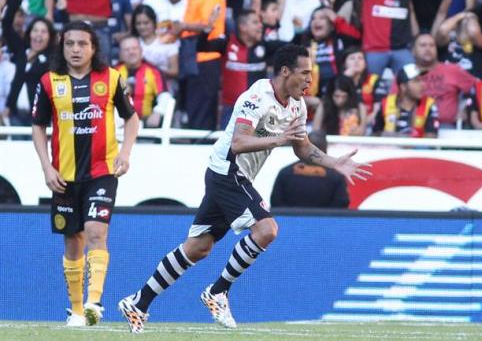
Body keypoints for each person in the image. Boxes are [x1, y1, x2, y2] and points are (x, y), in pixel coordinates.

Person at [118, 44, 370, 333]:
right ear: (286, 72)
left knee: (198, 248)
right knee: (267, 229)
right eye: (305, 73)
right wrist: (277, 140)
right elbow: (238, 142)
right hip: (228, 171)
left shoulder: (297, 105)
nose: (310, 80)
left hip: (235, 176)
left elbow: (301, 146)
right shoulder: (256, 97)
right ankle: (217, 292)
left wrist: (332, 162)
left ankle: (138, 302)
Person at [31, 21, 139, 327]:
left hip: (102, 171)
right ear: (62, 47)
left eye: (82, 44)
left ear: (94, 48)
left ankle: (94, 302)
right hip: (63, 175)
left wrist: (125, 152)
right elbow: (38, 126)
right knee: (73, 241)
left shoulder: (112, 79)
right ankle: (76, 310)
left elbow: (132, 119)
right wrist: (46, 166)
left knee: (96, 232)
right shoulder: (49, 82)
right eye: (70, 44)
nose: (75, 49)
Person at [195, 9, 287, 129]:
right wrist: (208, 28)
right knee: (228, 146)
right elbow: (202, 47)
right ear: (243, 27)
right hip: (231, 109)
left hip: (259, 110)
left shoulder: (265, 45)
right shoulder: (227, 43)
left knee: (258, 146)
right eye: (255, 22)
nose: (260, 25)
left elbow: (291, 46)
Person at [177, 0, 226, 131]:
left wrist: (181, 26)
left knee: (202, 110)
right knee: (195, 108)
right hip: (194, 54)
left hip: (206, 54)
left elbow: (207, 25)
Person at [1, 0, 55, 126]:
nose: (38, 35)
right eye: (35, 30)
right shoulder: (20, 53)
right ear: (29, 33)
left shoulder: (52, 60)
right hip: (15, 116)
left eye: (43, 32)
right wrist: (15, 1)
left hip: (40, 119)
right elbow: (7, 26)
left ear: (50, 37)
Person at [271, 130, 349, 208]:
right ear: (325, 149)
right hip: (324, 219)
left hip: (288, 219)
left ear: (302, 148)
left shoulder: (285, 173)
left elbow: (275, 203)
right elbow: (341, 205)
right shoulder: (336, 176)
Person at [413, 33, 477, 127]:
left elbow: (479, 89)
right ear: (413, 51)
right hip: (415, 127)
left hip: (446, 127)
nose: (428, 49)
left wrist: (466, 109)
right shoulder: (407, 73)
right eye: (423, 45)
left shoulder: (452, 70)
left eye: (432, 45)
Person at [115, 36, 172, 128]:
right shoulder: (113, 72)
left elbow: (165, 96)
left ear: (141, 51)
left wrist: (158, 112)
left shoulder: (154, 71)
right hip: (120, 124)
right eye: (126, 50)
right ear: (120, 54)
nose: (131, 52)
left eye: (134, 48)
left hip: (147, 123)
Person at [373, 63, 439, 137]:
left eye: (421, 80)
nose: (422, 85)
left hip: (418, 147)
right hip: (388, 147)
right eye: (416, 81)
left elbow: (431, 137)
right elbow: (375, 133)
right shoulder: (387, 103)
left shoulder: (429, 104)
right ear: (403, 87)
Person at [131, 4, 179, 82]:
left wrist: (152, 71)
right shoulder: (131, 44)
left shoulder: (167, 41)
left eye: (146, 23)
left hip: (165, 89)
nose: (142, 27)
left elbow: (175, 72)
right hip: (138, 90)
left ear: (154, 22)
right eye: (138, 23)